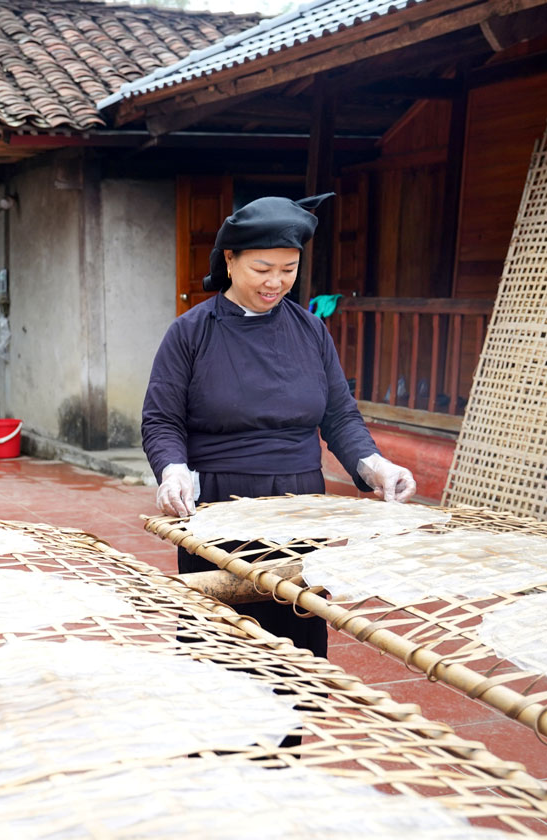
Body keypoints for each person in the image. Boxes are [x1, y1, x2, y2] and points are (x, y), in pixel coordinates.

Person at [141, 194, 416, 657]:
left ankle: (291, 729)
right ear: (230, 260)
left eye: (288, 269)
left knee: (295, 647)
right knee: (222, 648)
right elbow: (162, 420)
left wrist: (375, 466)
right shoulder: (191, 332)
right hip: (216, 511)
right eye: (263, 268)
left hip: (300, 510)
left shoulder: (310, 331)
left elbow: (339, 415)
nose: (276, 282)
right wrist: (172, 471)